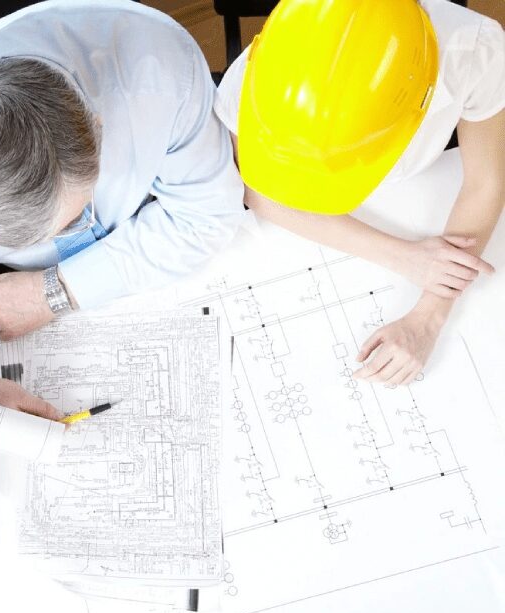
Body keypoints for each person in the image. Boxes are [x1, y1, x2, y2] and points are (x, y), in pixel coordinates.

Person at [0, 0, 247, 414]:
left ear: (96, 127)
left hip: (144, 222)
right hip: (10, 282)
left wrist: (56, 291)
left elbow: (206, 213)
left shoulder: (159, 66)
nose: (70, 232)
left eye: (73, 217)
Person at [214, 0, 504, 386]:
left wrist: (428, 316)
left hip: (416, 193)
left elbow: (486, 182)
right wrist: (404, 257)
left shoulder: (474, 49)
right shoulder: (259, 78)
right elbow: (256, 187)